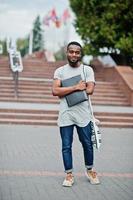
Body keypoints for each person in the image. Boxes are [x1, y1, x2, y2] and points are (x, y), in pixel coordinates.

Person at [52, 41, 100, 187]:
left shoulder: (87, 70)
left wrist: (65, 88)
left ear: (80, 54)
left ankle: (90, 170)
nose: (74, 54)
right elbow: (55, 91)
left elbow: (90, 90)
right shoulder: (60, 71)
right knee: (66, 146)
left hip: (83, 114)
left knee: (87, 144)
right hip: (66, 114)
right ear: (67, 53)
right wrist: (76, 86)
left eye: (77, 52)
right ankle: (69, 174)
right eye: (71, 51)